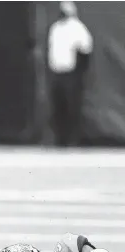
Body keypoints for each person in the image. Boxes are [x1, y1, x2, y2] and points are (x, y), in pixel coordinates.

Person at [48, 1, 93, 146]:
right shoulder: (55, 28)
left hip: (70, 73)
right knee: (57, 107)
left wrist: (79, 71)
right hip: (56, 72)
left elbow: (86, 48)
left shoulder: (77, 28)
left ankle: (72, 140)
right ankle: (59, 140)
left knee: (71, 107)